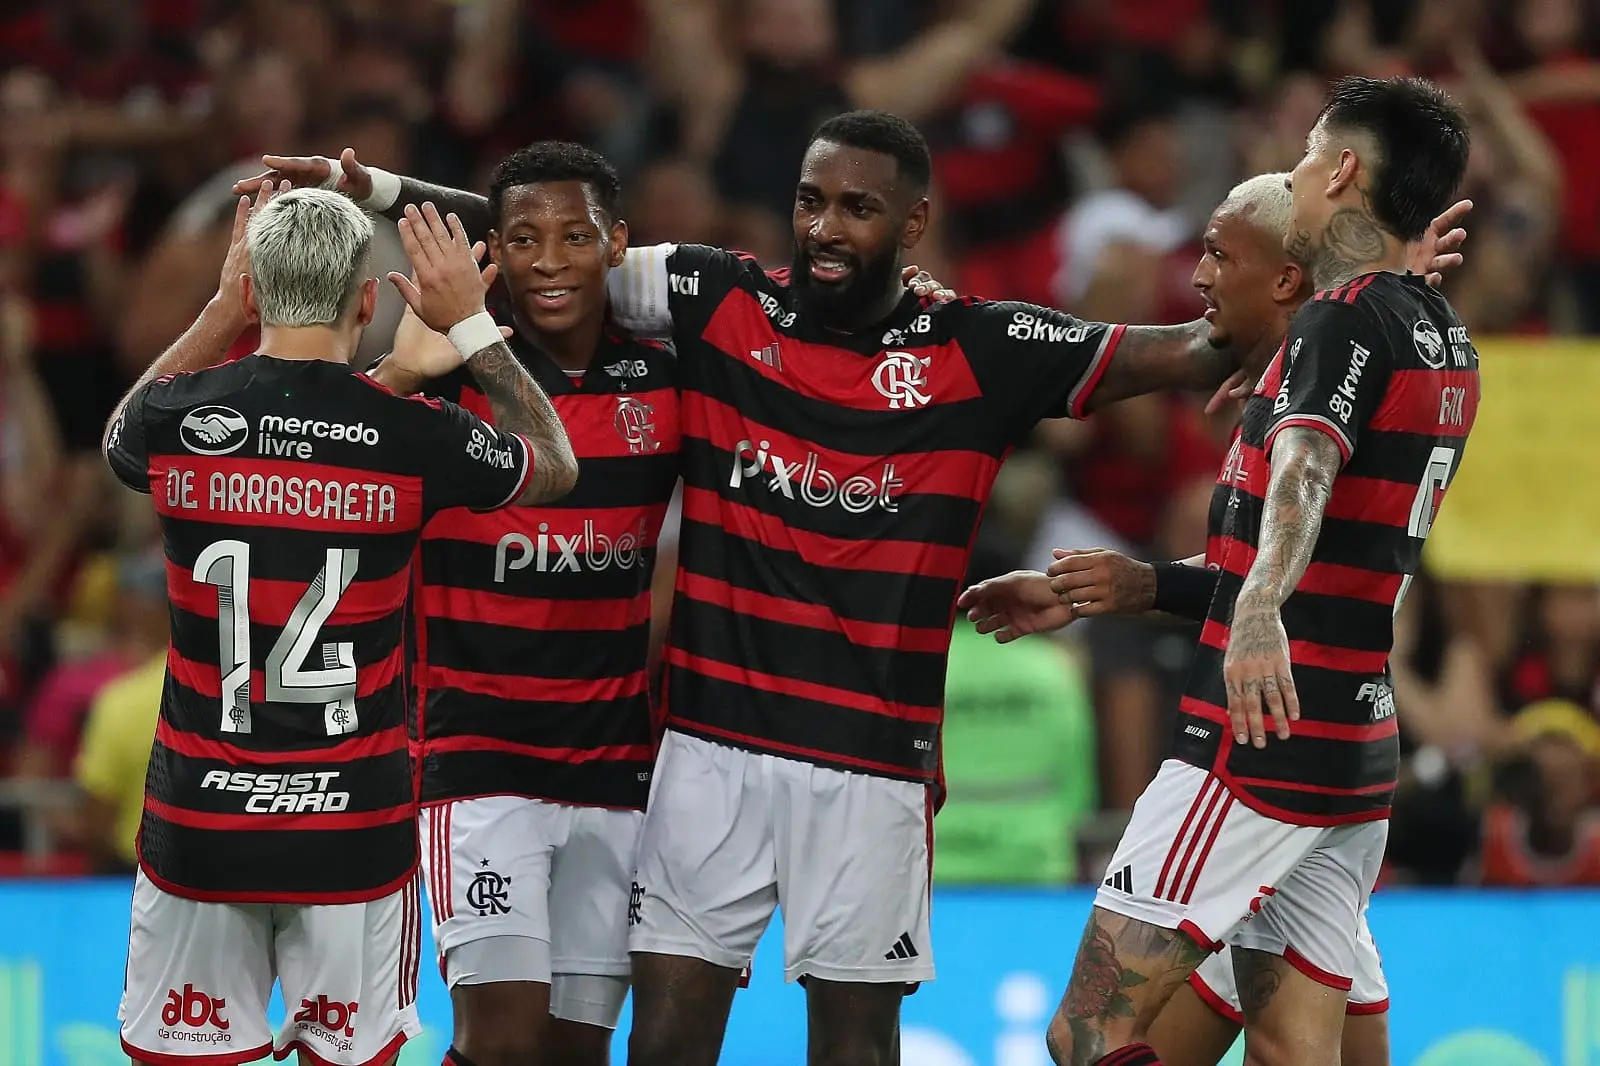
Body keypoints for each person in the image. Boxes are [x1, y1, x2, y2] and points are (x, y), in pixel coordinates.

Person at [237, 104, 1464, 1066]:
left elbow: (1204, 339)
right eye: (812, 201)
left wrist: (1380, 279)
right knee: (663, 1040)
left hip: (871, 768)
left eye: (859, 209)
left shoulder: (984, 348)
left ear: (913, 223)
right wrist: (377, 192)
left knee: (854, 1044)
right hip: (707, 747)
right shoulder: (719, 298)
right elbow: (548, 235)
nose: (826, 227)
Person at [965, 75, 1474, 1066]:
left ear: (1343, 170)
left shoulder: (1338, 327)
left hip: (1254, 744)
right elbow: (1322, 540)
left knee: (1086, 1035)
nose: (1195, 272)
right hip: (1348, 747)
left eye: (1304, 153)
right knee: (1299, 1049)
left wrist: (1253, 614)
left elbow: (1306, 467)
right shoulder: (1438, 334)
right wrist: (1145, 584)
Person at [101, 181, 578, 1066]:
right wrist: (471, 329)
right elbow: (552, 466)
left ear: (256, 289)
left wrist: (218, 308)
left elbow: (119, 438)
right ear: (368, 300)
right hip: (352, 833)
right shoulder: (413, 434)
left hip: (200, 828)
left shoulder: (177, 420)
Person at [364, 142, 680, 1066]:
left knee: (577, 1051)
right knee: (500, 1042)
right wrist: (402, 375)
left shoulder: (665, 379)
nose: (549, 262)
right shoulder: (445, 382)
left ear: (617, 244)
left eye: (575, 236)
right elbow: (321, 448)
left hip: (614, 768)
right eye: (525, 239)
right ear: (493, 251)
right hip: (477, 765)